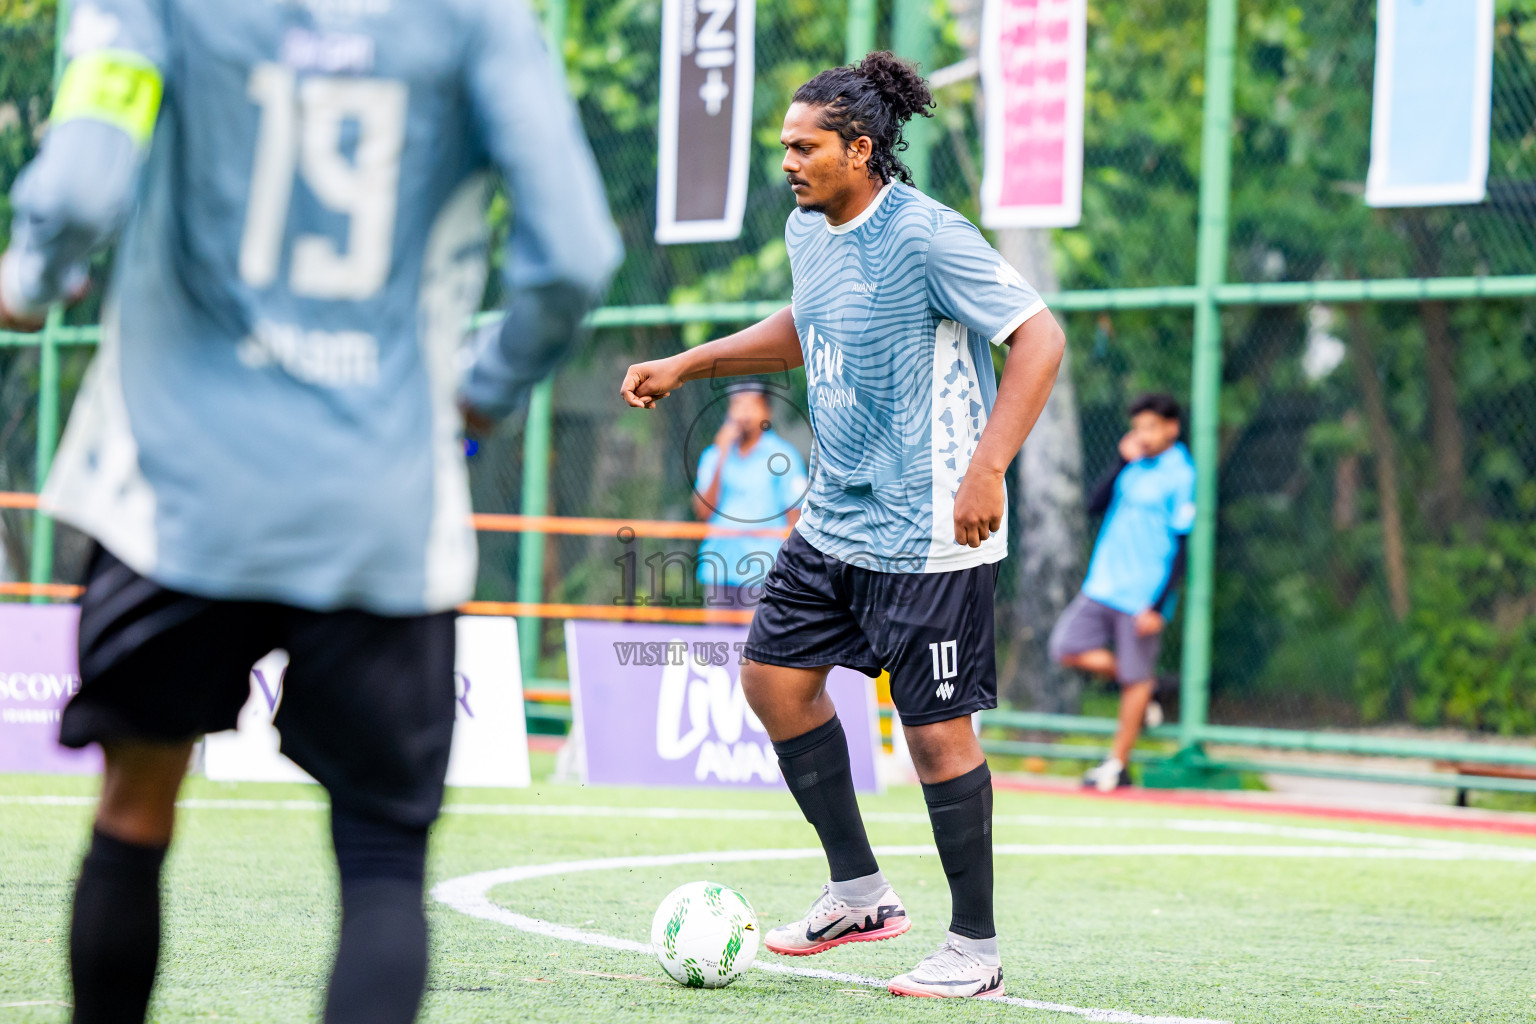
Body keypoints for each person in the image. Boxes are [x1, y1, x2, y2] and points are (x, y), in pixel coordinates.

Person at [0, 3, 620, 1022]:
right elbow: (574, 256)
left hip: (175, 494)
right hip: (378, 499)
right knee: (380, 857)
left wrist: (30, 276)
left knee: (135, 804)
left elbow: (77, 183)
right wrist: (484, 392)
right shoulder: (480, 17)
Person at [621, 53, 1065, 999]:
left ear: (860, 150)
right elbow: (808, 321)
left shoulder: (931, 238)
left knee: (938, 735)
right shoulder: (808, 229)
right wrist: (690, 362)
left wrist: (987, 467)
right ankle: (860, 892)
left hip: (934, 525)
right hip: (836, 517)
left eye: (804, 146)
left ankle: (974, 952)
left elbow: (1039, 336)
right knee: (775, 682)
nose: (787, 161)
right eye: (784, 145)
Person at [1049, 393, 1195, 792]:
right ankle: (1148, 689)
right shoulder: (1132, 466)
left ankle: (1116, 765)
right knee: (1064, 647)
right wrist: (1120, 462)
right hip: (1102, 584)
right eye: (1137, 427)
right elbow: (1094, 506)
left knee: (1135, 680)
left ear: (1171, 428)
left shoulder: (1182, 473)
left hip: (1142, 598)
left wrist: (1158, 604)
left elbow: (1184, 547)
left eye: (1151, 427)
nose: (1142, 435)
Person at [692, 382, 808, 609]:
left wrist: (790, 572)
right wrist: (721, 454)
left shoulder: (783, 456)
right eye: (737, 405)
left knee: (753, 642)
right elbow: (702, 511)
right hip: (719, 566)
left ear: (767, 412)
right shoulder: (714, 454)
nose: (743, 413)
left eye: (751, 405)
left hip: (763, 570)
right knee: (717, 643)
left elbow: (795, 518)